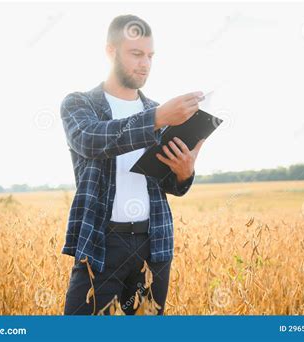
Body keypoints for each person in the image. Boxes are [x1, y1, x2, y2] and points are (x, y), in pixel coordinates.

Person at [61, 14, 205, 315]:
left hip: (152, 246)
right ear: (110, 52)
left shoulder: (157, 110)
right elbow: (90, 140)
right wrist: (158, 119)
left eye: (150, 56)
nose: (145, 64)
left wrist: (184, 172)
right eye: (136, 54)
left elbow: (168, 185)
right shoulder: (80, 104)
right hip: (101, 242)